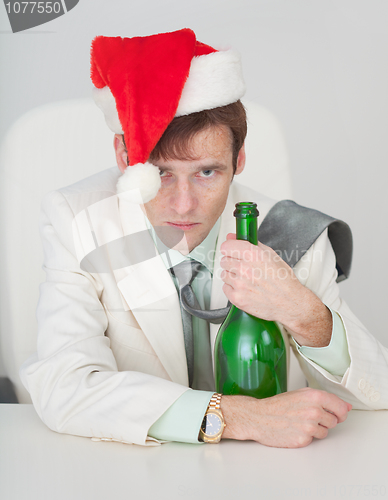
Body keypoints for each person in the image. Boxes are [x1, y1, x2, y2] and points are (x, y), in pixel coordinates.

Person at [20, 28, 387, 448]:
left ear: (240, 159)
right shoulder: (76, 219)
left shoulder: (290, 232)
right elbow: (63, 385)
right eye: (160, 173)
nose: (182, 205)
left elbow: (376, 396)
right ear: (124, 157)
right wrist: (237, 417)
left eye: (207, 172)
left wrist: (306, 314)